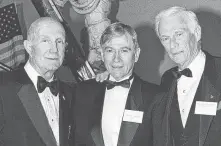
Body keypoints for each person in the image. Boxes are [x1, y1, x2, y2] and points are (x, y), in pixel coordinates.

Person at [71, 22, 159, 146]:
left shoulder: (156, 96)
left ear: (136, 54)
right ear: (102, 54)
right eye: (110, 50)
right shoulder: (82, 91)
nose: (116, 59)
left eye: (124, 50)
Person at [151, 6, 221, 146]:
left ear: (197, 33)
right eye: (165, 38)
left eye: (178, 34)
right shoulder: (167, 79)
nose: (172, 44)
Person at [0, 17, 73, 146]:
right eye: (45, 40)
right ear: (29, 47)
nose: (54, 49)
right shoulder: (3, 86)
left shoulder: (71, 93)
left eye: (59, 41)